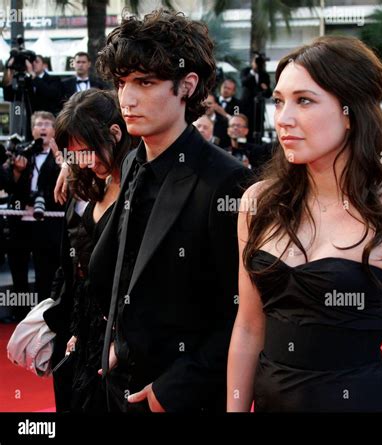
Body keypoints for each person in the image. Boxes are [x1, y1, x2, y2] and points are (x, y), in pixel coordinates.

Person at [227, 36, 382, 412]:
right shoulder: (258, 203)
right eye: (278, 101)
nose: (283, 118)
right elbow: (248, 327)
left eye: (304, 100)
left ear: (350, 112)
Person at [91, 9, 253, 413]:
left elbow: (244, 312)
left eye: (145, 82)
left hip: (184, 399)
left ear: (187, 85)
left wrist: (174, 388)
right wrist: (115, 343)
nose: (127, 99)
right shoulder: (132, 163)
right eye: (121, 83)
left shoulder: (225, 180)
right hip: (120, 386)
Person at [43, 88, 130, 412]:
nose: (85, 161)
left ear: (116, 133)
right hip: (81, 327)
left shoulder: (141, 185)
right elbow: (73, 263)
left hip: (119, 336)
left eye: (88, 150)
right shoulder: (87, 179)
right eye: (76, 153)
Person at [2, 111, 64, 322]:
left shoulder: (62, 155)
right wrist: (18, 172)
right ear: (32, 129)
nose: (43, 127)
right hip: (19, 221)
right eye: (39, 124)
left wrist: (60, 162)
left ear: (54, 129)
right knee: (18, 268)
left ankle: (42, 315)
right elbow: (8, 186)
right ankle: (19, 313)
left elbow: (65, 190)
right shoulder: (22, 151)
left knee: (44, 270)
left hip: (46, 221)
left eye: (48, 123)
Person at [240, 53, 272, 143]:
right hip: (247, 107)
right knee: (246, 127)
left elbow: (269, 93)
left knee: (258, 130)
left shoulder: (264, 75)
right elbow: (243, 82)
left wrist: (265, 89)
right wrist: (253, 72)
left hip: (259, 108)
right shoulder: (246, 71)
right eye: (256, 61)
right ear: (252, 62)